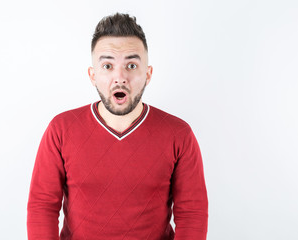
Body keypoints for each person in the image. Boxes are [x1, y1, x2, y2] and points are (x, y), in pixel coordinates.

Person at [27, 13, 208, 240]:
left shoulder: (179, 135)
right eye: (107, 66)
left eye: (131, 65)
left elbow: (192, 212)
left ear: (148, 74)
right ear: (93, 75)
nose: (120, 77)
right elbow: (42, 206)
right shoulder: (60, 130)